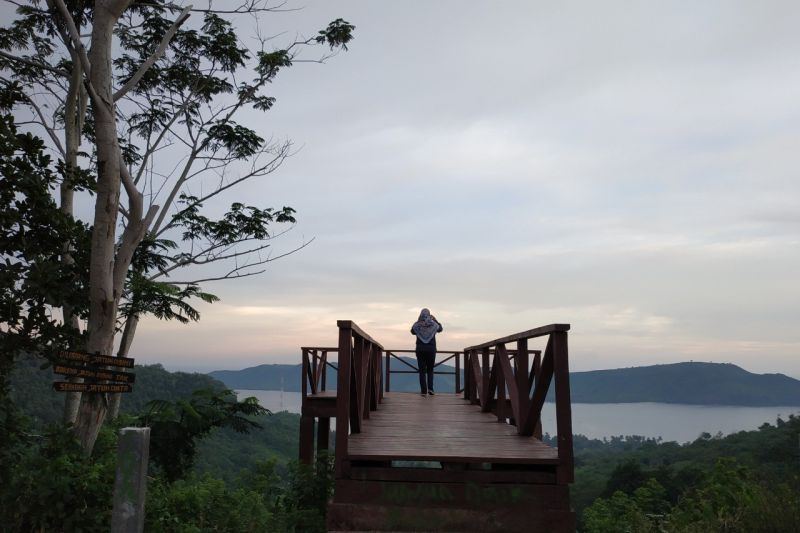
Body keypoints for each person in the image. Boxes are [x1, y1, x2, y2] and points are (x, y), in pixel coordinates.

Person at [410, 308, 443, 396]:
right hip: (431, 350)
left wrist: (418, 321)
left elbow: (412, 331)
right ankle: (431, 389)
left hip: (420, 350)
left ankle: (423, 391)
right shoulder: (434, 324)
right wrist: (435, 319)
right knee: (430, 370)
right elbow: (440, 329)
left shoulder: (417, 325)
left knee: (422, 371)